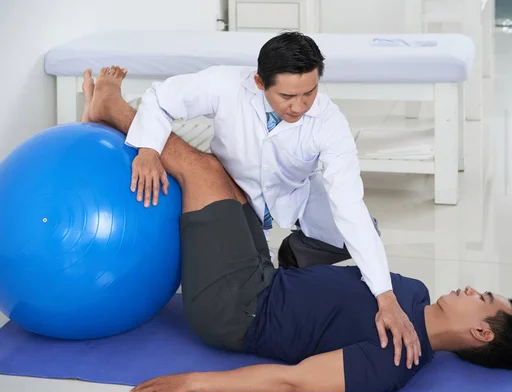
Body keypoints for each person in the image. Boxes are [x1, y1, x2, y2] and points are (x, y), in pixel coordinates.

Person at [81, 67, 512, 392]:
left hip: (237, 311)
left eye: (483, 298)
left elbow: (293, 381)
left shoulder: (397, 359)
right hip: (263, 274)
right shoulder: (412, 292)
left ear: (480, 332)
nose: (471, 289)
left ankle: (111, 110)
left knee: (199, 169)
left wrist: (192, 382)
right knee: (227, 172)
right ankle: (114, 124)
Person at [89, 31, 422, 368]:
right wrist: (148, 151)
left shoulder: (329, 122)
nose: (300, 106)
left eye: (310, 92)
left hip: (291, 197)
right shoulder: (225, 84)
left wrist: (385, 294)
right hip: (234, 186)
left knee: (363, 232)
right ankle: (109, 105)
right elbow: (161, 97)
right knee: (202, 169)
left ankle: (296, 254)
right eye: (288, 96)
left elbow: (350, 205)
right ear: (260, 82)